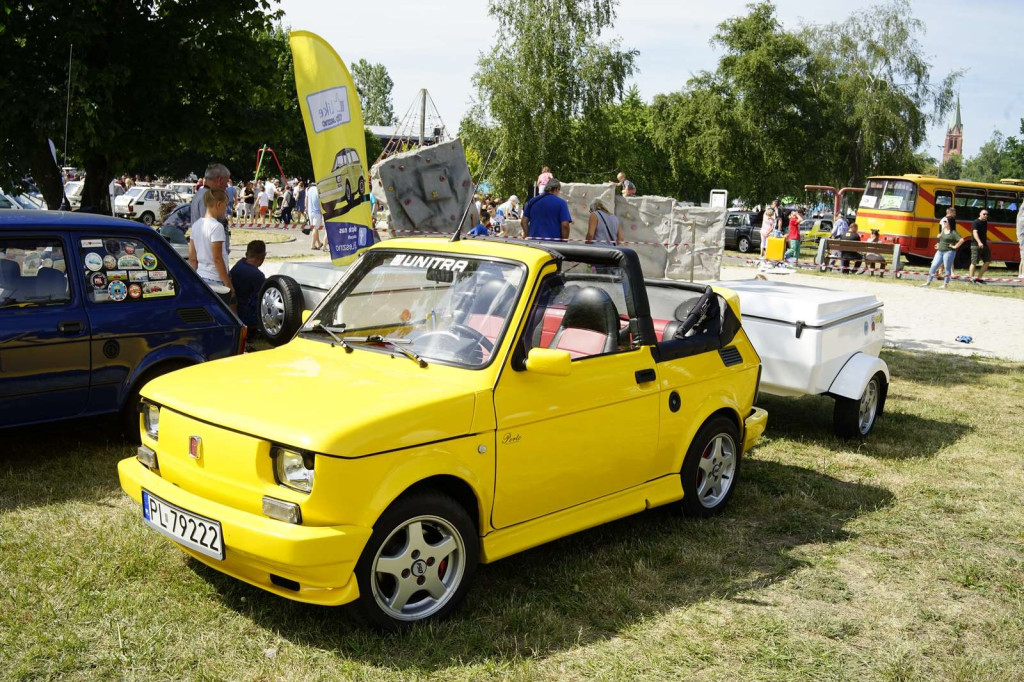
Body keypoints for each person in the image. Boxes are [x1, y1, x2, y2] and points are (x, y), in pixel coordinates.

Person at [188, 188, 234, 299]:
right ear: (218, 204)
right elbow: (217, 258)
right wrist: (228, 284)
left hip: (201, 276)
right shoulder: (216, 226)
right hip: (215, 279)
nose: (226, 209)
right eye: (225, 205)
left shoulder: (196, 225)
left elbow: (192, 258)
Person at [230, 240, 267, 330]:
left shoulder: (239, 264)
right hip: (245, 314)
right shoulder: (257, 275)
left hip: (233, 309)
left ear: (246, 254)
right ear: (263, 257)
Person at [920, 217, 964, 288]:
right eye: (944, 221)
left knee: (947, 268)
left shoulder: (953, 232)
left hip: (949, 252)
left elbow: (961, 240)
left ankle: (945, 284)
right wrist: (938, 243)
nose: (944, 223)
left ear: (949, 223)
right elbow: (941, 238)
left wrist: (955, 246)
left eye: (945, 221)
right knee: (933, 266)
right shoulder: (943, 229)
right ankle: (928, 282)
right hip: (940, 251)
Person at [969, 208, 991, 283]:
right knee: (974, 262)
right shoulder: (976, 222)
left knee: (987, 261)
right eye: (984, 214)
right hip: (976, 245)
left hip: (984, 244)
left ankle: (979, 278)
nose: (985, 215)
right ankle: (971, 279)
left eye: (987, 214)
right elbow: (975, 233)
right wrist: (979, 242)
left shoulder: (985, 222)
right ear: (980, 214)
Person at [307, 181, 325, 250]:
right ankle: (312, 245)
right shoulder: (318, 190)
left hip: (310, 211)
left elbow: (306, 200)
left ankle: (319, 243)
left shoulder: (309, 190)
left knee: (315, 228)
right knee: (315, 228)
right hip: (317, 211)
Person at [1017, 205, 1024, 278]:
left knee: (1022, 258)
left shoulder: (1020, 218)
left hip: (1021, 239)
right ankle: (1021, 273)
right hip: (1022, 240)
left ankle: (1020, 274)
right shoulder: (1021, 219)